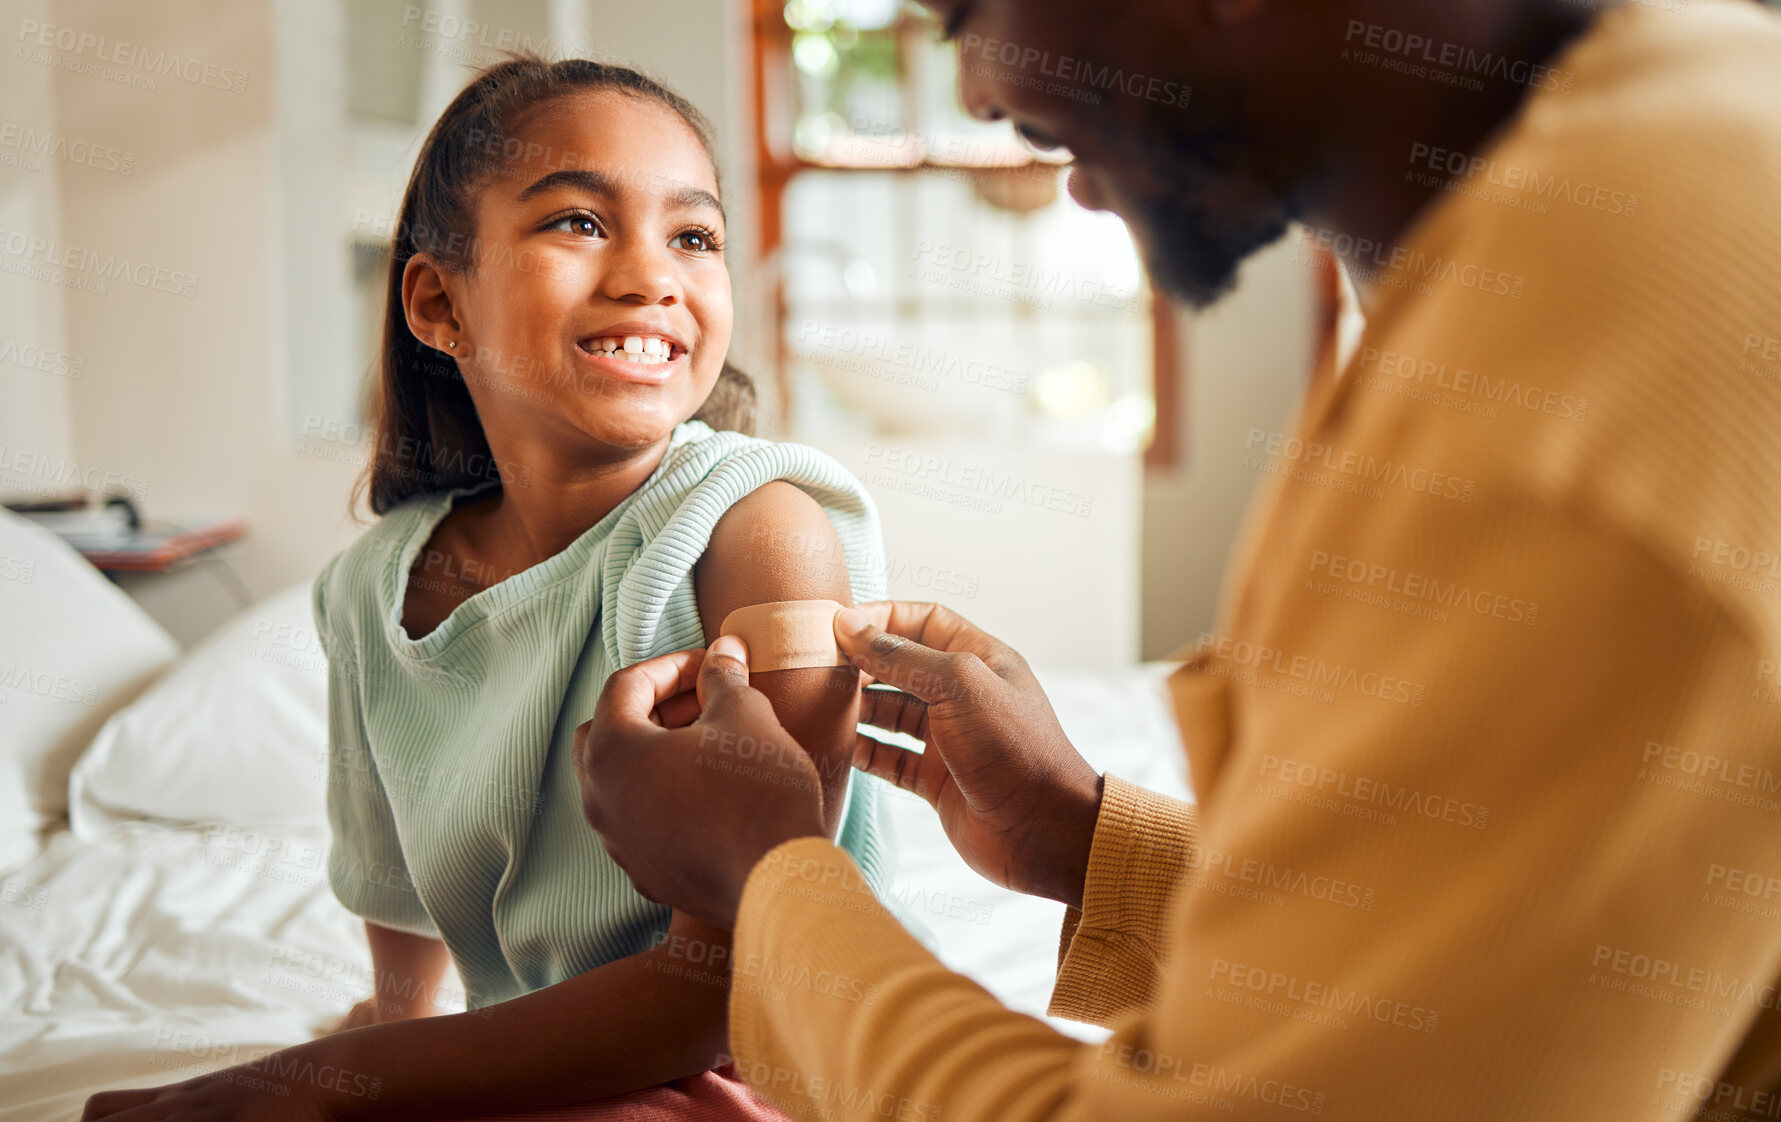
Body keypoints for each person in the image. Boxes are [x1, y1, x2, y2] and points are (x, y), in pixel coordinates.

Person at [578, 0, 1781, 1119]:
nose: (982, 90)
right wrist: (1093, 844)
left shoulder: (1569, 383)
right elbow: (1519, 961)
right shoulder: (1682, 137)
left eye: (969, 11)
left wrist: (768, 878)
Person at [83, 57, 897, 1120]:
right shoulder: (371, 593)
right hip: (559, 1053)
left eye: (693, 237)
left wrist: (287, 1092)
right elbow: (391, 885)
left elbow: (730, 982)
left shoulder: (762, 532)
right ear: (436, 301)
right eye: (577, 223)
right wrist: (387, 1042)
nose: (653, 275)